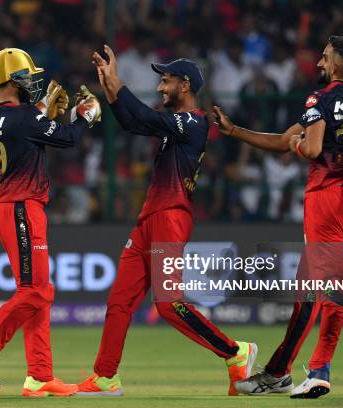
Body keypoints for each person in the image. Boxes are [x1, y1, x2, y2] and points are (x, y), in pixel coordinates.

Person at [213, 34, 343, 396]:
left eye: (325, 57)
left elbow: (305, 145)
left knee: (328, 285)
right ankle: (308, 370)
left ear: (336, 64)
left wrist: (302, 147)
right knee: (311, 289)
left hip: (326, 198)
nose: (319, 62)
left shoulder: (320, 98)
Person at [75, 45, 257, 397]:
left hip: (171, 217)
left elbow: (143, 117)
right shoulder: (174, 124)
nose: (161, 87)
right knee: (119, 302)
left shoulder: (194, 122)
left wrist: (117, 82)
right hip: (149, 219)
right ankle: (105, 377)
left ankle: (236, 353)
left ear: (185, 85)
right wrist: (110, 87)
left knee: (168, 304)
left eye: (167, 81)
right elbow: (132, 121)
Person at [0, 47, 100, 397]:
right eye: (28, 77)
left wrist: (42, 109)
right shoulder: (24, 119)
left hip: (9, 207)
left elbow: (23, 127)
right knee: (36, 291)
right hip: (21, 208)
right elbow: (66, 138)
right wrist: (84, 116)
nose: (33, 83)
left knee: (36, 293)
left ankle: (40, 375)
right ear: (15, 80)